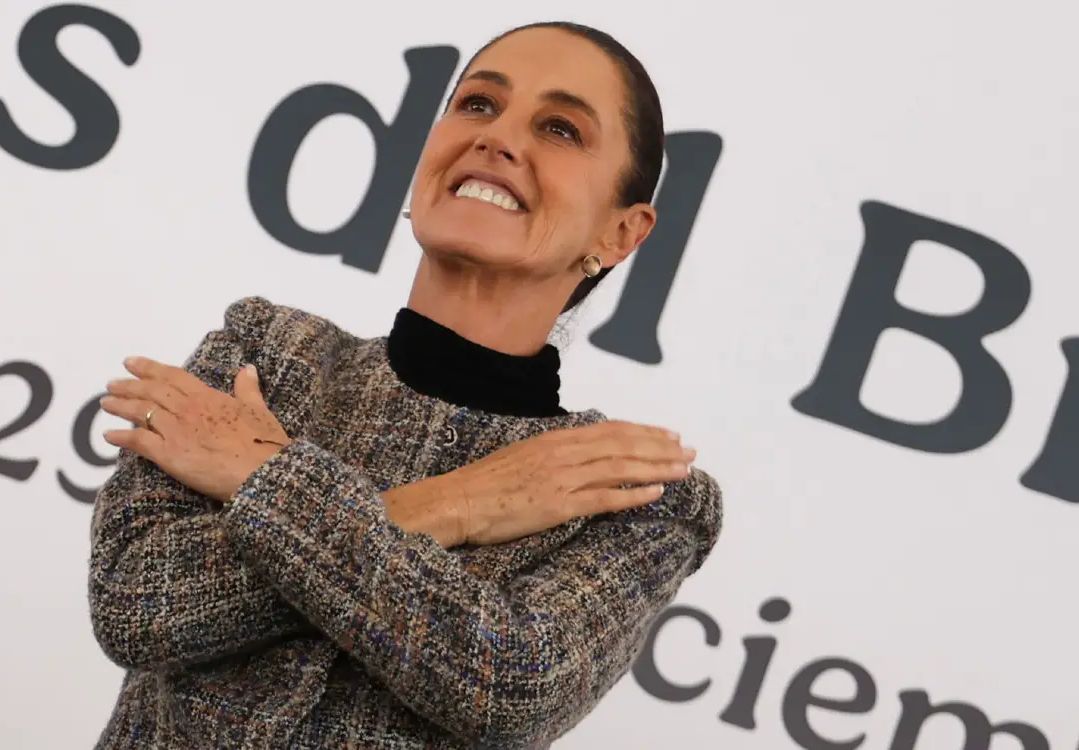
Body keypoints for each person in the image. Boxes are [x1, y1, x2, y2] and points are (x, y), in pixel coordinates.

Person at [88, 20, 723, 749]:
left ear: (621, 234)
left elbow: (511, 686)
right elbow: (135, 603)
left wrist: (266, 479)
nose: (496, 137)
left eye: (559, 128)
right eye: (478, 104)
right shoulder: (266, 353)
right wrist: (459, 504)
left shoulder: (632, 489)